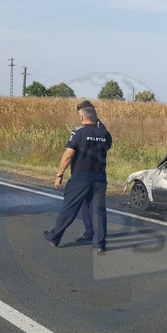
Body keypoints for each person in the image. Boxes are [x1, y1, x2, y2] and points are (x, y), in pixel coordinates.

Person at [43, 106, 113, 252]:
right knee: (98, 211)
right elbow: (107, 145)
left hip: (81, 176)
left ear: (82, 117)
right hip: (100, 177)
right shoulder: (105, 134)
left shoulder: (78, 132)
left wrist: (59, 175)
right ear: (96, 118)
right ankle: (99, 244)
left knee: (69, 208)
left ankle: (55, 236)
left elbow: (68, 155)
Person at [71, 99, 106, 243]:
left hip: (86, 171)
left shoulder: (89, 127)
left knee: (89, 204)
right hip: (96, 171)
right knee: (90, 204)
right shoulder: (100, 126)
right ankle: (94, 233)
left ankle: (92, 232)